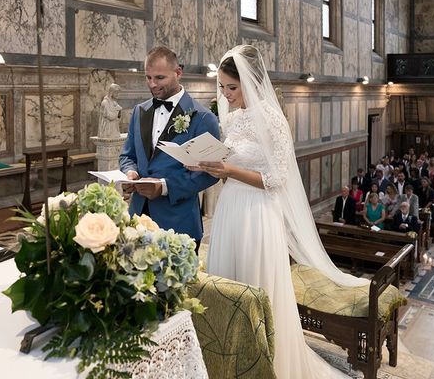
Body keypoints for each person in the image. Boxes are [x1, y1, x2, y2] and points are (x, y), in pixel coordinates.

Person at [201, 45, 369, 379]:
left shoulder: (273, 120)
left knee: (254, 282)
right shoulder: (232, 120)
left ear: (250, 82)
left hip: (258, 213)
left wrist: (229, 171)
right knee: (227, 283)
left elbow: (277, 178)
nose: (225, 94)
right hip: (231, 207)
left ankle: (264, 364)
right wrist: (209, 166)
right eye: (221, 87)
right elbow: (229, 162)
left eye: (231, 87)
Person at [119, 46, 220, 249]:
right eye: (148, 77)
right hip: (137, 221)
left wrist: (164, 187)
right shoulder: (140, 111)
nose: (152, 85)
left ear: (178, 73)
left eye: (159, 78)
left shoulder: (202, 118)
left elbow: (210, 173)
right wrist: (130, 173)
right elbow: (127, 155)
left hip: (179, 224)